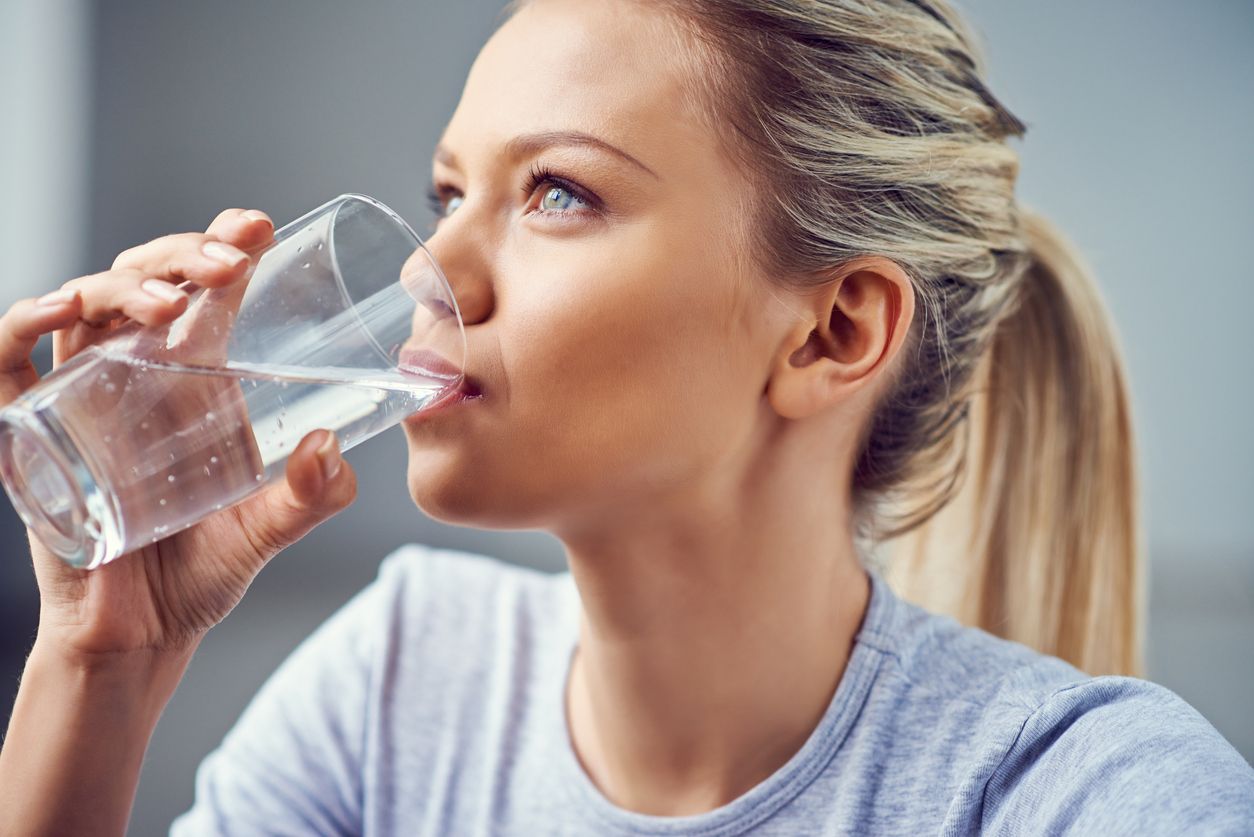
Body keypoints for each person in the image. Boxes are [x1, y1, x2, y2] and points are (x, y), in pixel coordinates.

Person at [1, 0, 1251, 833]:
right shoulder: (394, 692)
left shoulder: (1090, 796)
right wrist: (102, 667)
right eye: (446, 192)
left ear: (832, 333)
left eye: (556, 192)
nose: (430, 272)